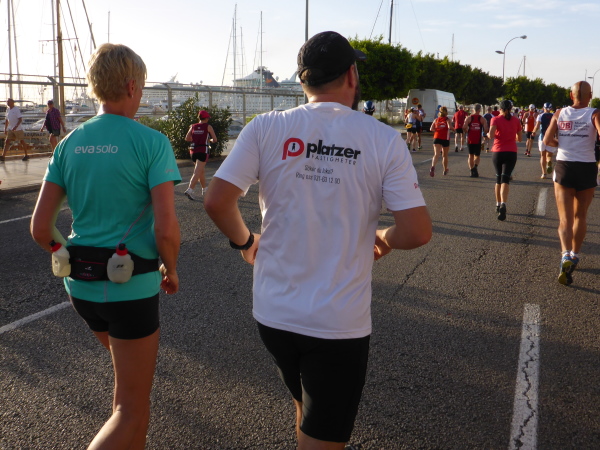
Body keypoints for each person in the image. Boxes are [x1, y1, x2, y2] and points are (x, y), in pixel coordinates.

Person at [204, 31, 432, 450]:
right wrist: (384, 236)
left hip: (273, 313)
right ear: (351, 75)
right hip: (336, 323)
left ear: (303, 79)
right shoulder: (382, 138)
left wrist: (246, 243)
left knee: (306, 410)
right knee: (321, 431)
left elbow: (217, 200)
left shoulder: (266, 127)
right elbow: (417, 231)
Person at [30, 43, 181, 449]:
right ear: (131, 86)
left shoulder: (68, 144)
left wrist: (65, 253)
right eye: (142, 87)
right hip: (130, 287)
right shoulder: (151, 142)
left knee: (129, 398)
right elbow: (167, 229)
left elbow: (41, 228)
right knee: (130, 409)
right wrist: (171, 268)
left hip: (80, 287)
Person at [543, 80, 600, 285]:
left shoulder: (559, 113)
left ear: (571, 95)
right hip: (587, 166)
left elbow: (547, 141)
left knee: (564, 219)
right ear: (590, 96)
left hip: (564, 166)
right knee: (580, 215)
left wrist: (563, 143)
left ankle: (565, 254)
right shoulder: (594, 113)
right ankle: (575, 255)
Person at [487, 99, 523, 220]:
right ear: (511, 109)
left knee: (498, 179)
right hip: (511, 152)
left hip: (498, 151)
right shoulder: (516, 120)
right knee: (505, 179)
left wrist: (488, 134)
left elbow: (491, 135)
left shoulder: (495, 119)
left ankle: (498, 204)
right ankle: (503, 203)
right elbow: (520, 139)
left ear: (500, 109)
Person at [184, 110, 217, 200]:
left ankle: (205, 189)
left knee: (200, 171)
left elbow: (187, 138)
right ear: (206, 118)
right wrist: (208, 140)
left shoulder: (193, 126)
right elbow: (214, 139)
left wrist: (196, 138)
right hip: (203, 150)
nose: (208, 119)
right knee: (197, 172)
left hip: (193, 151)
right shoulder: (208, 126)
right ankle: (190, 189)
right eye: (208, 118)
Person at [463, 104, 489, 178]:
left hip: (470, 139)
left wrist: (467, 130)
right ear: (479, 110)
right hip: (478, 140)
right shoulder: (482, 119)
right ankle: (475, 167)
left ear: (473, 109)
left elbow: (464, 127)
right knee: (477, 155)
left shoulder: (469, 118)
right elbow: (486, 129)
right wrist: (485, 133)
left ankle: (472, 170)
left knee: (470, 155)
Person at [532, 103, 556, 179]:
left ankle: (544, 173)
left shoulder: (540, 116)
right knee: (549, 155)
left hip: (542, 138)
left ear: (543, 108)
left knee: (542, 156)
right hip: (551, 138)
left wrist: (534, 132)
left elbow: (537, 126)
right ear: (551, 108)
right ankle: (549, 162)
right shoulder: (554, 115)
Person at [429, 106, 451, 177]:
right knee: (444, 155)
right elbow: (449, 127)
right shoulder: (447, 119)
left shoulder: (436, 119)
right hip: (445, 138)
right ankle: (445, 170)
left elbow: (431, 129)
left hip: (437, 137)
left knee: (436, 154)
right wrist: (453, 129)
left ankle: (433, 166)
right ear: (446, 112)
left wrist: (438, 129)